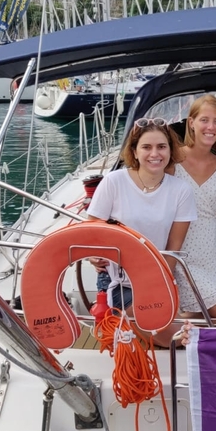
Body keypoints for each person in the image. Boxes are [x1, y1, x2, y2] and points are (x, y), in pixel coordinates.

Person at [88, 117, 197, 345]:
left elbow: (172, 252)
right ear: (135, 152)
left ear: (170, 151)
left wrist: (152, 287)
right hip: (116, 281)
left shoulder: (181, 191)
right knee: (172, 338)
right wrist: (94, 255)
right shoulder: (113, 182)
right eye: (146, 147)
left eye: (161, 147)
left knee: (172, 336)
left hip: (157, 279)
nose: (154, 153)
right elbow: (92, 234)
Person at [172, 95, 216, 327]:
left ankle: (183, 339)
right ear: (191, 122)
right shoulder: (172, 162)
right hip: (182, 254)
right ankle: (168, 331)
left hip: (212, 254)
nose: (211, 127)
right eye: (204, 120)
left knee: (212, 315)